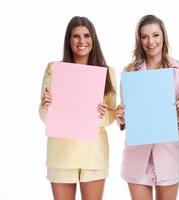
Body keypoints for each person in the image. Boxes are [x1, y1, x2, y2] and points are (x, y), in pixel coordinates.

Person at [39, 16, 116, 200]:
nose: (82, 41)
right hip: (62, 153)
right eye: (76, 36)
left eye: (87, 36)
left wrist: (102, 114)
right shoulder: (54, 69)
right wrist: (46, 106)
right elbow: (44, 116)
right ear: (69, 40)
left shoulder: (107, 72)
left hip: (93, 154)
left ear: (93, 39)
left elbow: (111, 117)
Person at [116, 15, 179, 200]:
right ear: (139, 40)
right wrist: (123, 118)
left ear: (163, 37)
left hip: (168, 154)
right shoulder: (130, 71)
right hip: (137, 156)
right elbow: (128, 114)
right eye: (145, 37)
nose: (151, 41)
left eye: (155, 35)